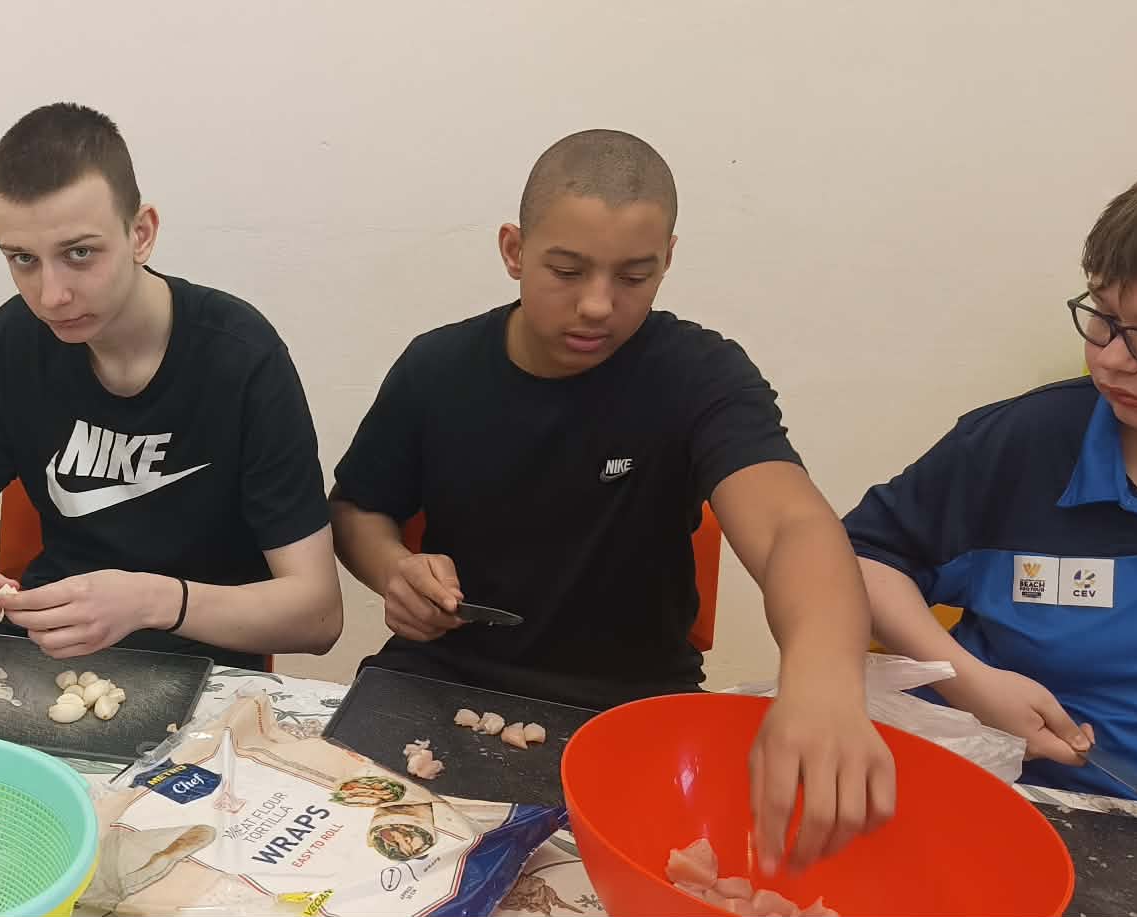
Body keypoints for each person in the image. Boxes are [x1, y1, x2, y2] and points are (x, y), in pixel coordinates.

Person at [328, 129, 894, 872]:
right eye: (567, 270)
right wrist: (393, 568)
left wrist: (823, 682)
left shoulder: (699, 374)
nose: (598, 305)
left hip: (632, 707)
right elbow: (356, 509)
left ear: (668, 259)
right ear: (514, 250)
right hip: (439, 681)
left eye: (635, 275)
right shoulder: (437, 367)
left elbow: (791, 522)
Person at [844, 151, 1137, 810]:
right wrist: (967, 679)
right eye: (1104, 315)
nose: (1110, 358)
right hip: (999, 800)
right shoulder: (1025, 443)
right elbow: (858, 556)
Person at [0, 102, 342, 670]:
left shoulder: (241, 357)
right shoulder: (14, 339)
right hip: (44, 655)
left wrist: (151, 602)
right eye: (23, 259)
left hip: (201, 667)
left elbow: (318, 615)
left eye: (79, 253)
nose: (51, 296)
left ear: (141, 233)